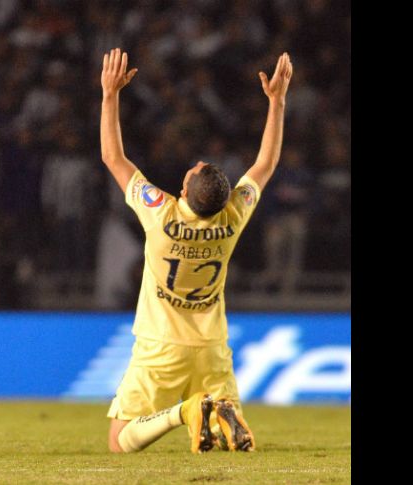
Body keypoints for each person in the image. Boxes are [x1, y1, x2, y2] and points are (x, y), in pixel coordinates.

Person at [99, 48, 292, 453]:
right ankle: (214, 414)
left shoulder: (161, 213)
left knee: (119, 441)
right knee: (225, 433)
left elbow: (113, 157)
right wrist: (277, 103)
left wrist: (109, 94)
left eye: (193, 171)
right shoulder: (231, 218)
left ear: (183, 192)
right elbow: (265, 164)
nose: (196, 163)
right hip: (211, 346)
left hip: (161, 343)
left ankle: (184, 412)